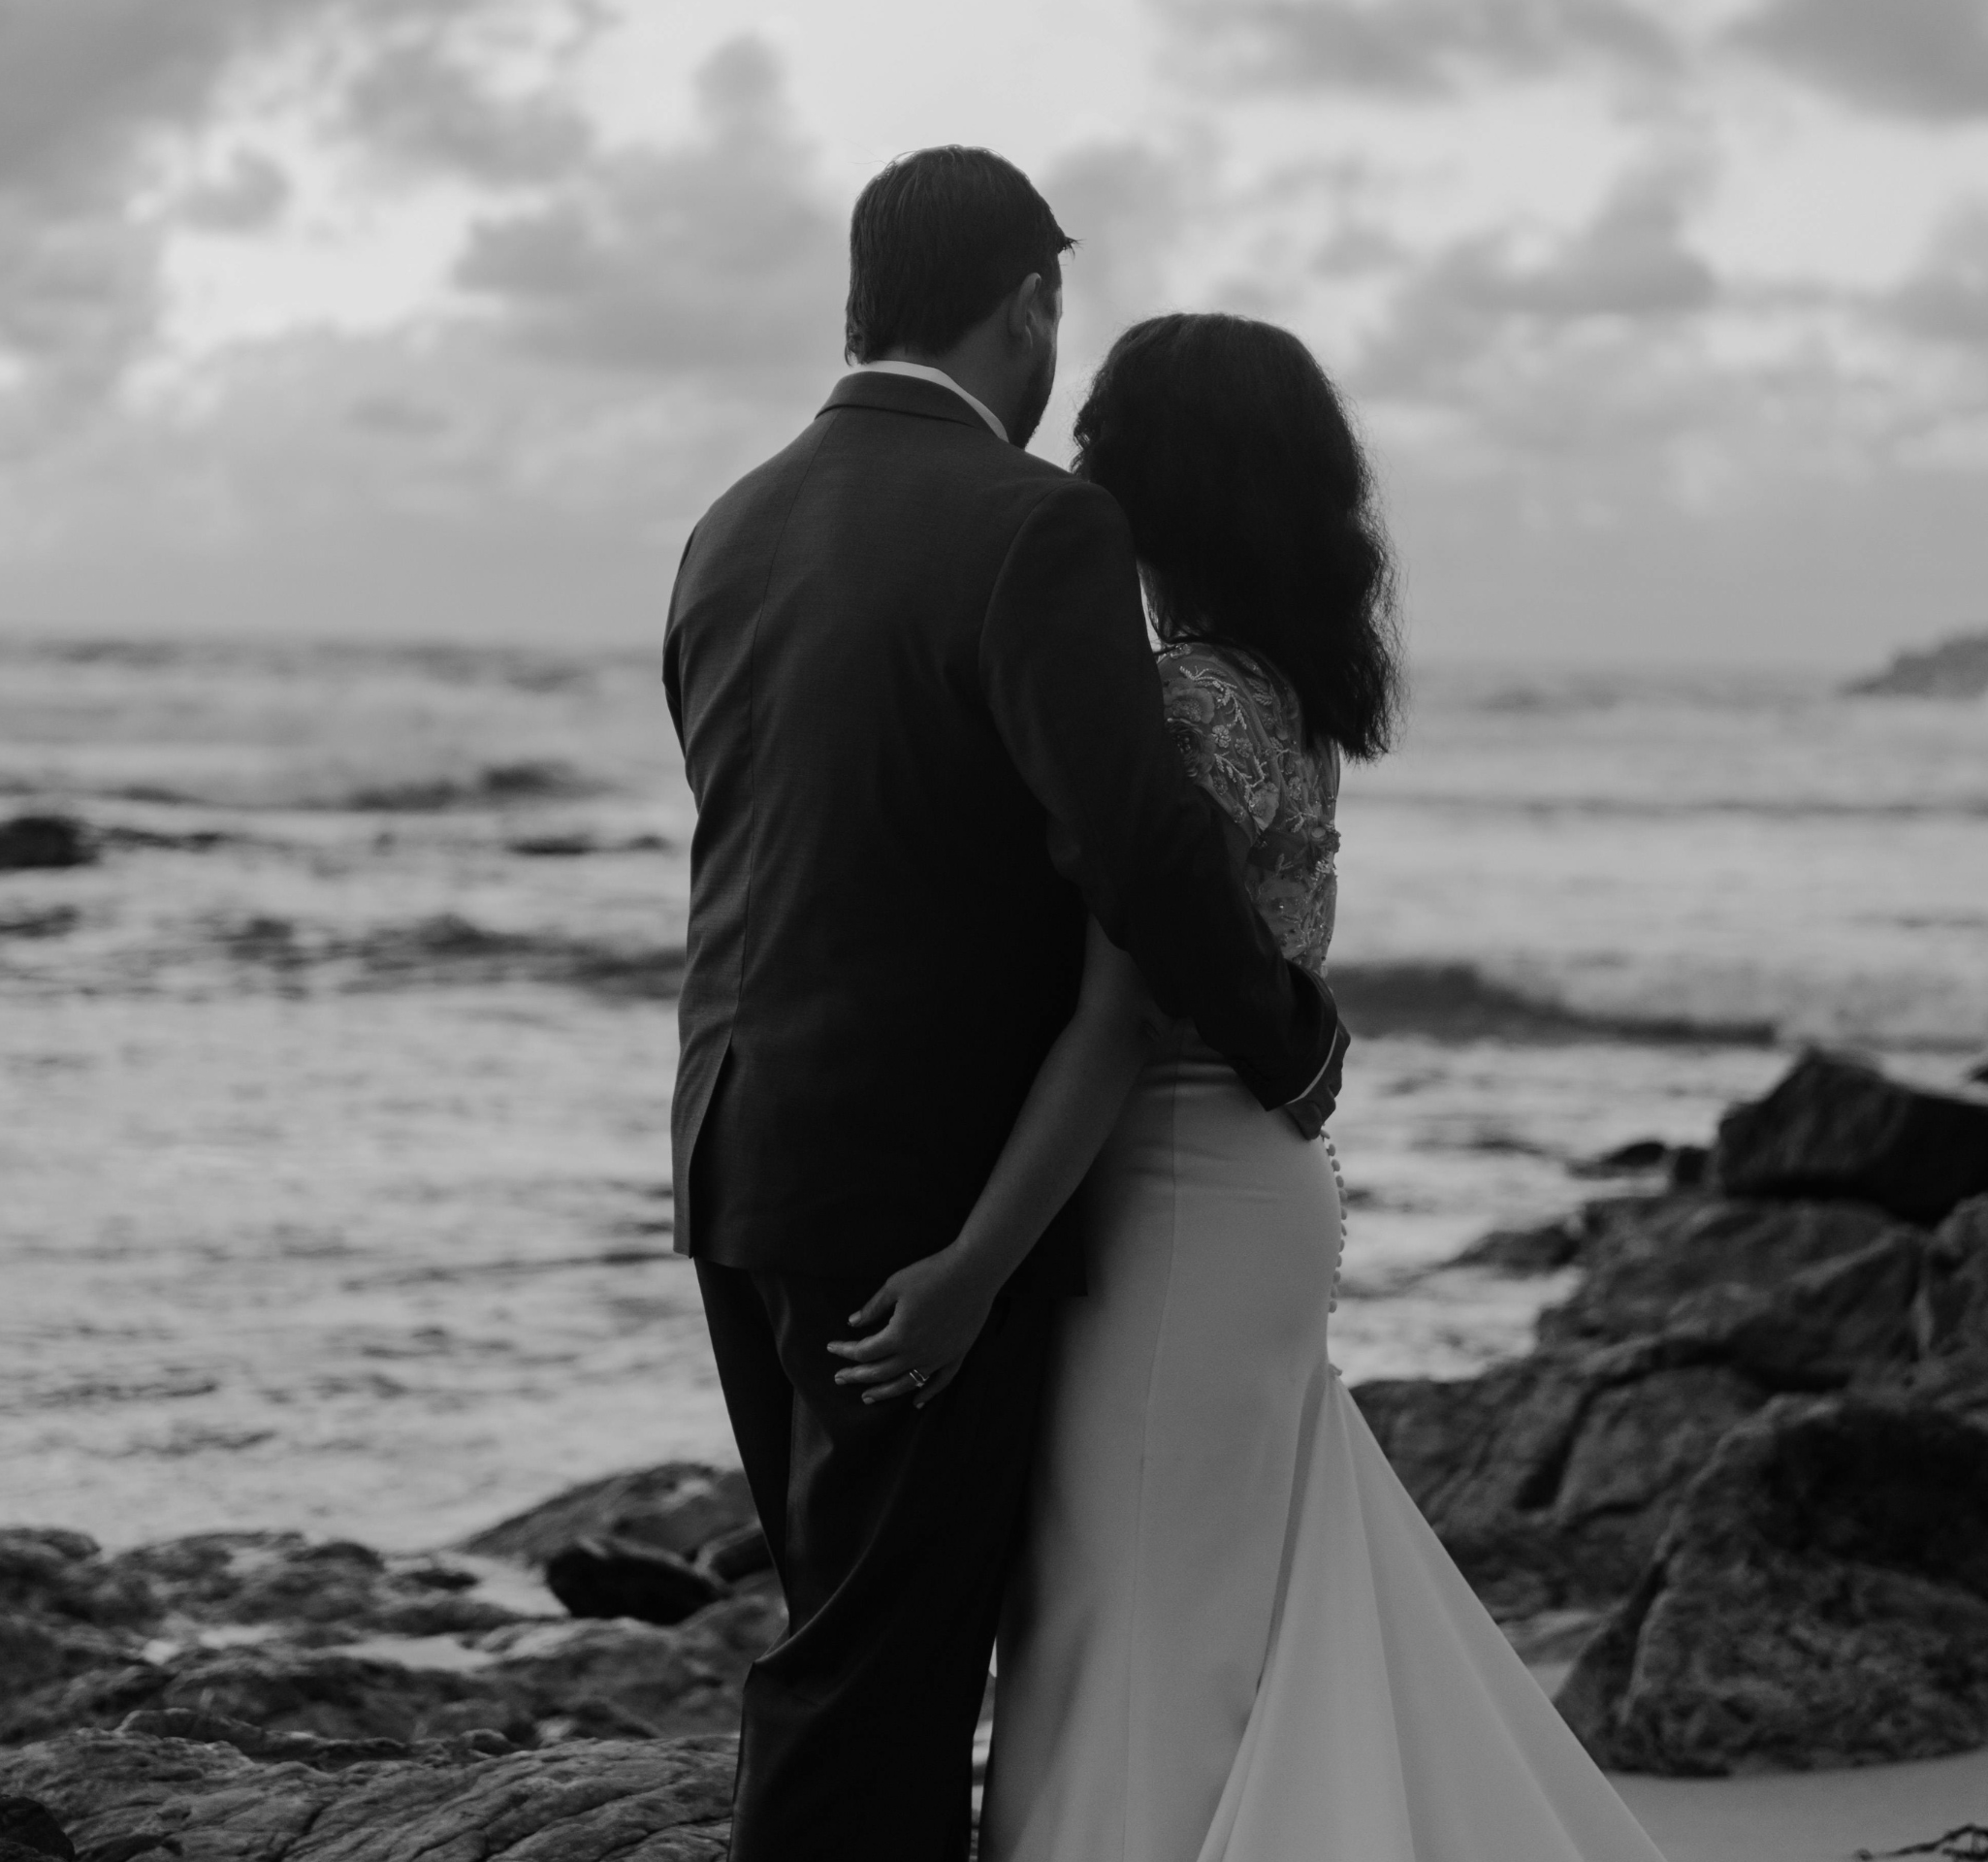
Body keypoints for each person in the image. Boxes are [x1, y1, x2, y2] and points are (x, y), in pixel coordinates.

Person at [844, 312, 1672, 1861]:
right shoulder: (1268, 687)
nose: (1073, 465)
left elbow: (1117, 1024)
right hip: (1237, 1192)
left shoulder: (1184, 705)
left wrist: (972, 1267)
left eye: (1101, 439)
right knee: (1209, 1608)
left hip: (1176, 1203)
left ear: (1166, 475)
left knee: (1143, 1626)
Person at [660, 152, 1348, 1862]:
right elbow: (1131, 855)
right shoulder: (1039, 526)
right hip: (923, 1193)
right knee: (875, 1686)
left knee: (846, 1632)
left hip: (735, 1157)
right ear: (1032, 298)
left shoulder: (727, 524)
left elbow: (783, 840)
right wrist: (1292, 1039)